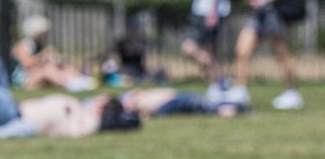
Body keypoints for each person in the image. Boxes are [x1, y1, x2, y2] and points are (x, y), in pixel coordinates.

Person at [0, 58, 139, 139]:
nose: (96, 100)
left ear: (103, 107)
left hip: (11, 116)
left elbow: (38, 129)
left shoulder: (86, 122)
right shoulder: (81, 108)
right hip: (12, 106)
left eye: (101, 101)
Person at [224, 0, 304, 110]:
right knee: (241, 50)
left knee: (281, 54)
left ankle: (292, 92)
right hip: (261, 14)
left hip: (273, 13)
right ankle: (240, 90)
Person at [11, 15, 96, 92]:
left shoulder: (39, 45)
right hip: (24, 79)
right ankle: (71, 84)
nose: (45, 35)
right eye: (43, 33)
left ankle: (79, 80)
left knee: (62, 67)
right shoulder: (24, 45)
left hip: (35, 74)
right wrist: (42, 56)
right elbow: (27, 64)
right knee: (48, 69)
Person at [181, 0, 232, 97]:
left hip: (209, 12)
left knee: (190, 48)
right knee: (206, 52)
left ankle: (218, 82)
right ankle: (219, 81)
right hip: (199, 11)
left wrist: (213, 11)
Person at [120, 87, 248, 120]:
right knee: (200, 104)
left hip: (170, 100)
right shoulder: (125, 104)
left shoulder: (127, 97)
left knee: (200, 103)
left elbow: (137, 91)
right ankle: (231, 108)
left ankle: (230, 107)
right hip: (166, 104)